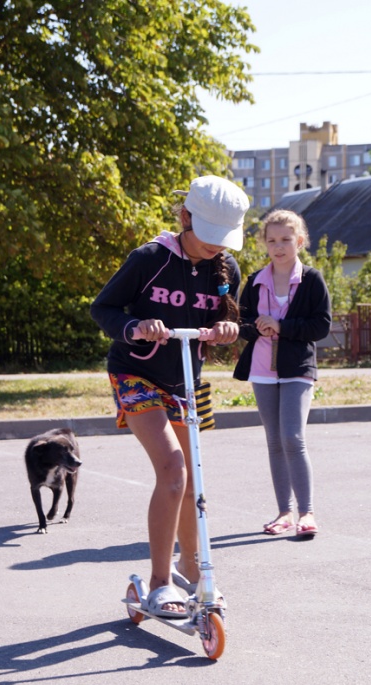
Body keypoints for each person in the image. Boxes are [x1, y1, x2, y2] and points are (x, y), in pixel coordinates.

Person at [90, 175, 249, 617]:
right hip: (135, 373)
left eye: (223, 239)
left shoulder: (227, 268)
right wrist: (135, 327)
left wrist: (228, 329)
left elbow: (225, 318)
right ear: (184, 217)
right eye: (209, 237)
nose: (217, 247)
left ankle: (190, 568)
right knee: (173, 469)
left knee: (193, 479)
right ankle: (161, 583)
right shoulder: (149, 259)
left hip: (184, 379)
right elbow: (101, 308)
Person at [233, 209, 331, 538]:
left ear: (299, 242)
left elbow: (321, 325)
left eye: (286, 240)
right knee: (274, 442)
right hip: (262, 369)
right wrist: (254, 327)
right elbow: (240, 324)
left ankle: (307, 512)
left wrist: (282, 326)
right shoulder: (255, 281)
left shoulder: (312, 279)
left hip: (298, 369)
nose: (279, 246)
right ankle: (284, 513)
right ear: (264, 244)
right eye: (272, 240)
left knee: (293, 438)